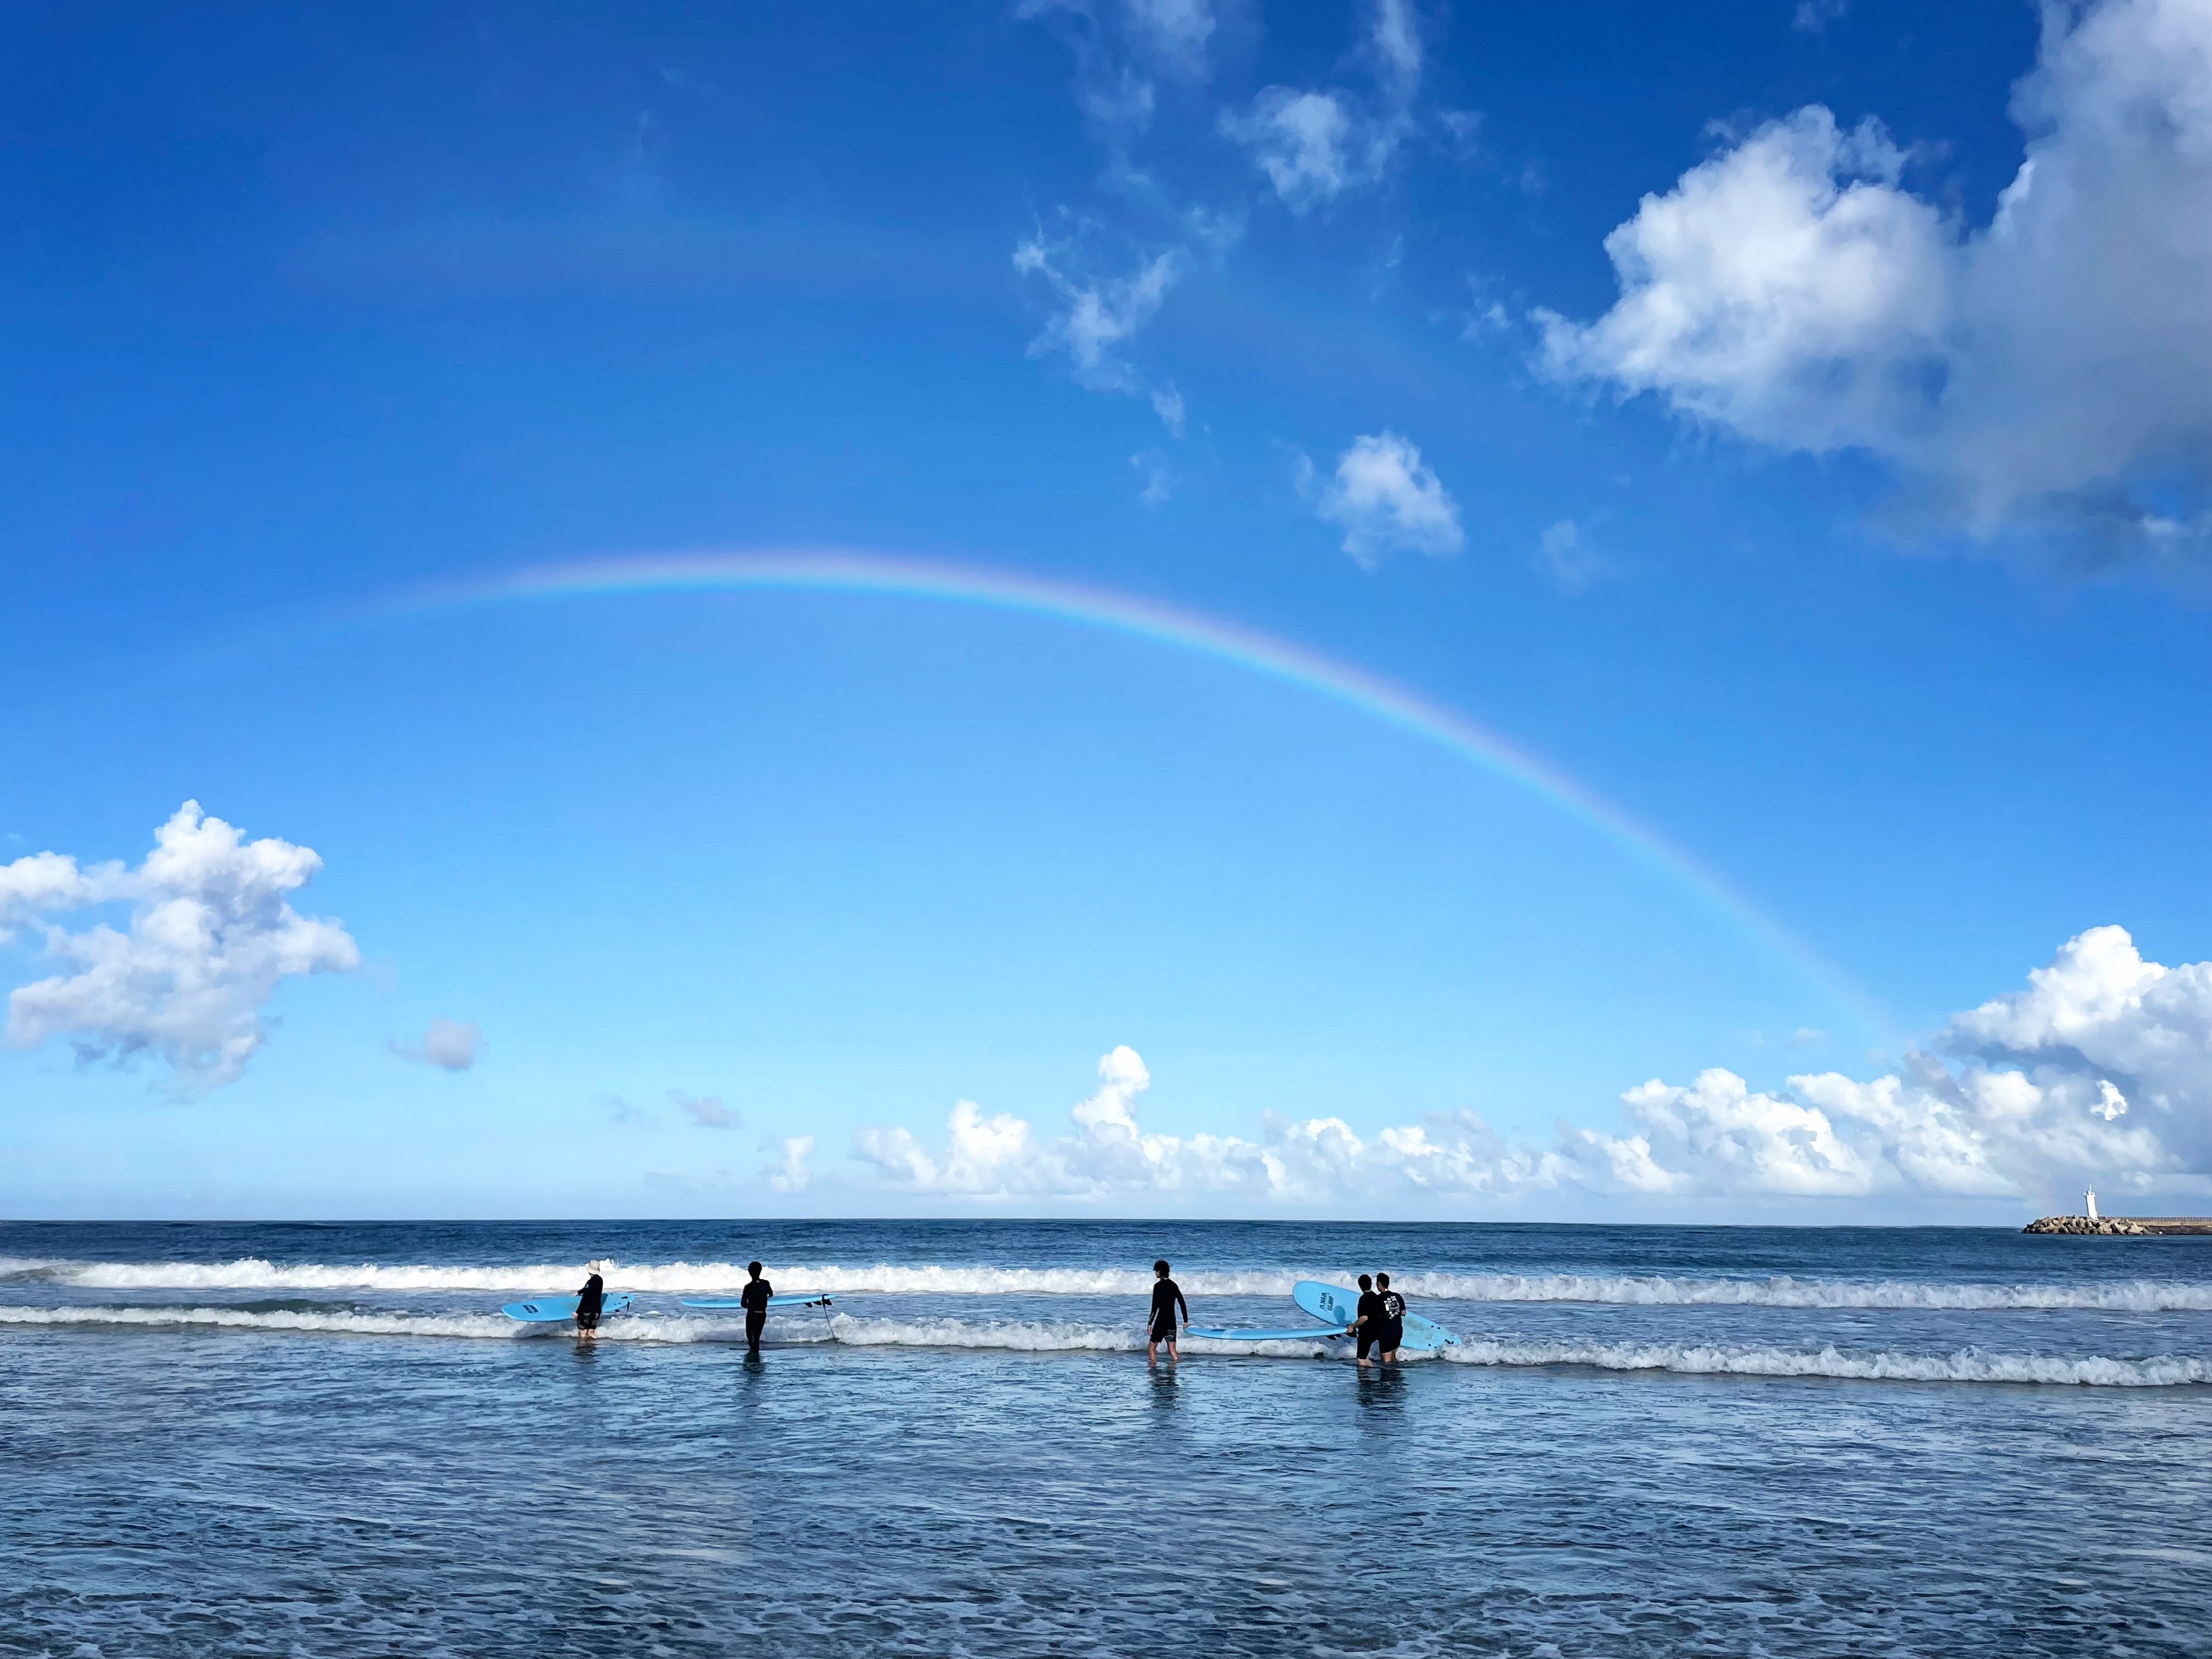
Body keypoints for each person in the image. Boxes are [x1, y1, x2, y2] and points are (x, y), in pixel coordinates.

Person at [1147, 1259, 1188, 1364]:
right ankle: (1175, 1369)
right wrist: (1185, 1321)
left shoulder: (1158, 1287)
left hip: (1161, 1322)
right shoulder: (1173, 1285)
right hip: (1171, 1322)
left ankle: (1153, 1369)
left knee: (1151, 1348)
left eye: (1156, 1271)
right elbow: (1182, 1303)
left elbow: (1154, 1307)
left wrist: (1150, 1323)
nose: (1155, 1273)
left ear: (1160, 1272)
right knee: (1172, 1351)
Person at [738, 1260, 774, 1354]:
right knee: (757, 1336)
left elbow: (743, 1304)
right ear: (761, 1271)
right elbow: (771, 1294)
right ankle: (756, 1354)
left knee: (751, 1337)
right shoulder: (766, 1283)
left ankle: (754, 1356)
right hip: (762, 1314)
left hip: (752, 1315)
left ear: (749, 1272)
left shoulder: (748, 1287)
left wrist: (750, 1305)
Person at [1348, 1273, 1384, 1368]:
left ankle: (1365, 1381)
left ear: (1360, 1285)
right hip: (1378, 1330)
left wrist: (1352, 1326)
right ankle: (1372, 1372)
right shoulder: (1376, 1297)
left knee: (1361, 1360)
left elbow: (1364, 1318)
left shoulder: (1364, 1299)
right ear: (1371, 1284)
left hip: (1367, 1332)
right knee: (1364, 1358)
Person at [1374, 1272, 1407, 1364]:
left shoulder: (1378, 1299)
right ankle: (1396, 1377)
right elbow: (1403, 1313)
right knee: (1393, 1357)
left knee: (1386, 1362)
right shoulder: (1398, 1296)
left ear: (1379, 1284)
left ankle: (1388, 1378)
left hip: (1386, 1333)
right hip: (1398, 1332)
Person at [575, 1271, 606, 1340]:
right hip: (597, 1311)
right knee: (591, 1333)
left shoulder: (590, 1282)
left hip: (587, 1311)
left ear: (589, 1271)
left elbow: (585, 1299)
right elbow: (589, 1289)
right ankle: (592, 1348)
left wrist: (577, 1312)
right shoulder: (600, 1279)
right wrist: (579, 1292)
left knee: (583, 1333)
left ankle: (583, 1347)